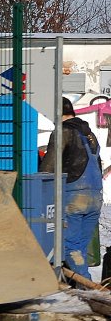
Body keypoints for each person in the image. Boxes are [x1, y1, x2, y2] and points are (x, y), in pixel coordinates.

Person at [40, 97, 103, 280]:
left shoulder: (63, 131)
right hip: (95, 197)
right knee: (80, 247)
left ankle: (87, 286)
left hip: (74, 197)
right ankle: (79, 285)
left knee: (69, 246)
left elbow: (47, 169)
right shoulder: (90, 134)